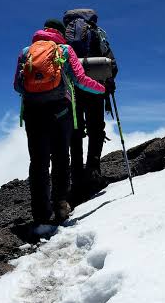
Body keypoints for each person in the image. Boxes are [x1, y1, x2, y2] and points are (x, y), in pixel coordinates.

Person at [14, 18, 105, 227]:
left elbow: (17, 86)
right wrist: (101, 88)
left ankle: (40, 214)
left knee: (38, 162)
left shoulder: (26, 51)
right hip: (60, 112)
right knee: (62, 158)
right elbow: (81, 80)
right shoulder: (64, 50)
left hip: (33, 113)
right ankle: (61, 206)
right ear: (61, 33)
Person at [62, 8, 118, 203]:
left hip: (72, 92)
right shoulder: (97, 33)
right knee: (96, 129)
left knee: (75, 131)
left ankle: (76, 178)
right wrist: (106, 84)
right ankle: (93, 172)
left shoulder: (64, 37)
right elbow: (112, 64)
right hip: (95, 90)